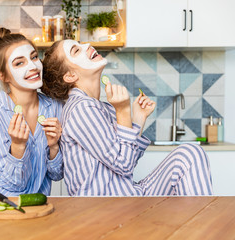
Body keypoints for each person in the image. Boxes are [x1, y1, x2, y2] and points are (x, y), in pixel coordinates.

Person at [41, 39, 213, 196]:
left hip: (126, 195)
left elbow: (129, 156)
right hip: (104, 209)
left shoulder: (99, 106)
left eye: (81, 43)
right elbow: (124, 164)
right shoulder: (81, 108)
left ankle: (197, 227)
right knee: (190, 154)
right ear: (70, 76)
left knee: (188, 154)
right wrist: (123, 111)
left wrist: (138, 118)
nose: (86, 45)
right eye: (76, 50)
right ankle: (203, 229)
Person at [0, 28, 63, 197]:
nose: (33, 66)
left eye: (34, 57)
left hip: (32, 204)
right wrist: (17, 146)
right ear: (3, 76)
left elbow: (57, 174)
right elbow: (12, 184)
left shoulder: (54, 107)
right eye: (19, 63)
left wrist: (54, 146)